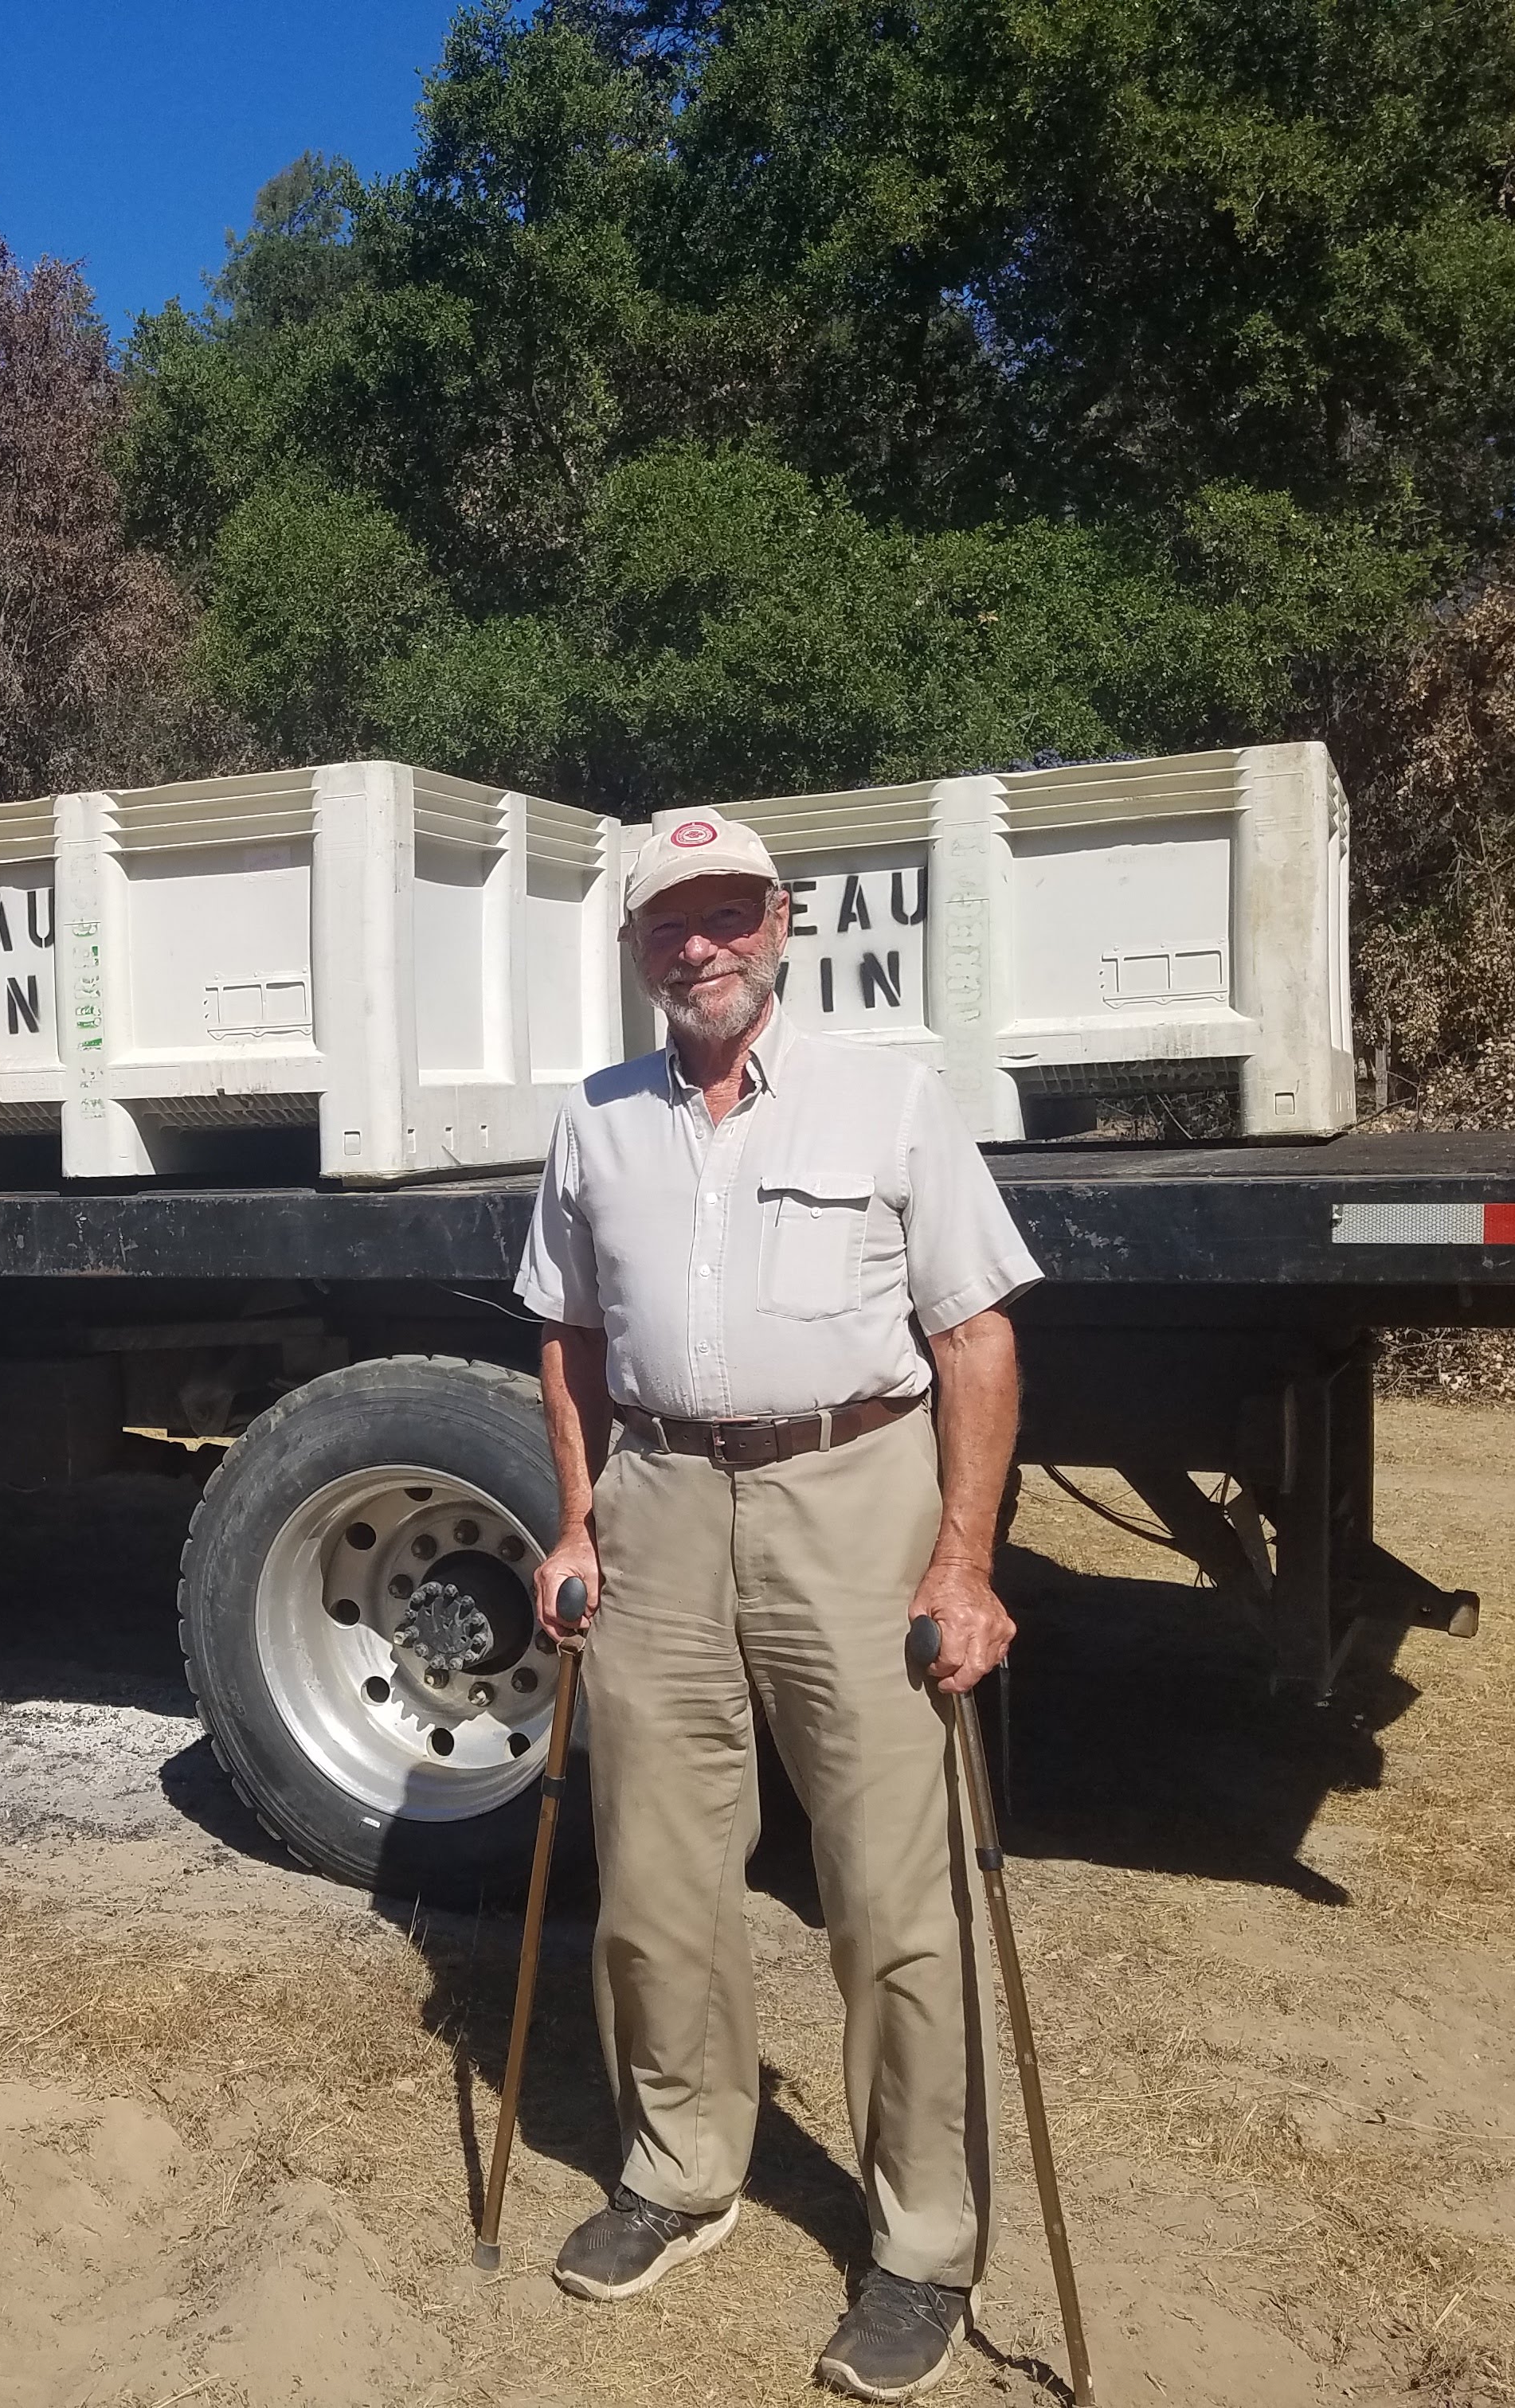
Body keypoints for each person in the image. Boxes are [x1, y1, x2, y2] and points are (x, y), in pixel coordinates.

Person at [513, 805, 1041, 2402]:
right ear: (633, 951)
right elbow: (565, 1332)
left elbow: (977, 1341)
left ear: (783, 923)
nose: (702, 945)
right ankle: (679, 2170)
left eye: (729, 912)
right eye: (672, 922)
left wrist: (963, 1559)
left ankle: (923, 2247)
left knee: (891, 1891)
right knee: (660, 1878)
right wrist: (579, 1514)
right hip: (661, 1502)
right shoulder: (597, 1124)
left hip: (855, 1494)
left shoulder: (889, 1097)